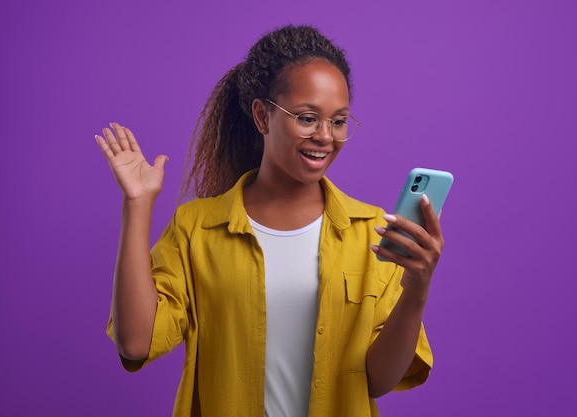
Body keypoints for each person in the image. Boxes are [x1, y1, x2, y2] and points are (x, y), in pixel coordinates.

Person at [95, 24, 443, 417]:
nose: (326, 136)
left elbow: (379, 381)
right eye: (308, 118)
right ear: (262, 115)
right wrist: (137, 205)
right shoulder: (197, 228)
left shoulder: (373, 233)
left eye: (339, 121)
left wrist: (416, 288)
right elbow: (135, 342)